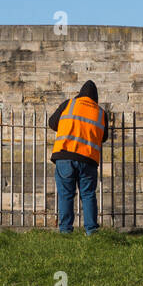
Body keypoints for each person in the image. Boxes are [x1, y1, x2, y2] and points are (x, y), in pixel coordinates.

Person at [49, 80, 109, 235]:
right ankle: (91, 230)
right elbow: (103, 137)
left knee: (66, 194)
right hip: (88, 159)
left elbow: (52, 123)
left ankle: (65, 230)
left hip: (65, 155)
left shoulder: (69, 104)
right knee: (88, 195)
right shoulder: (101, 113)